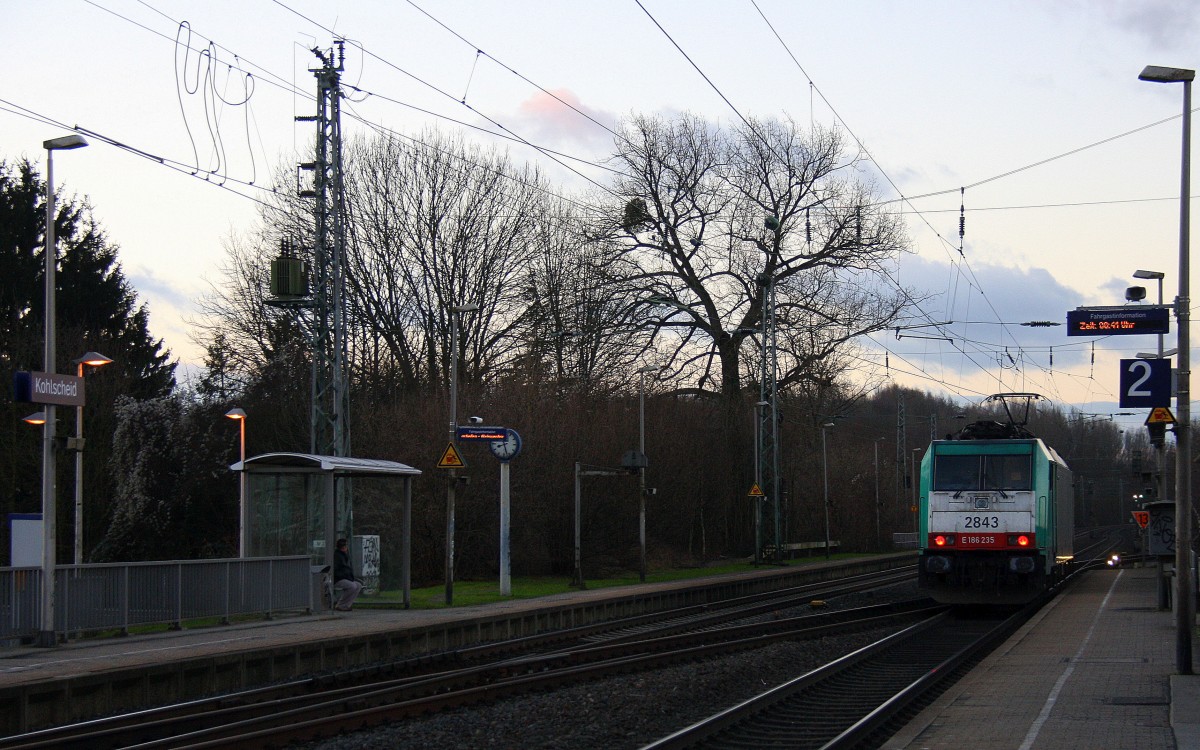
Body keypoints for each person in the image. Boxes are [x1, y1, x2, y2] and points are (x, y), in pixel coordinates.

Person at [333, 538, 363, 612]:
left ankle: (347, 605)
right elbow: (338, 570)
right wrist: (347, 576)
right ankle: (340, 604)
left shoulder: (344, 555)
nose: (346, 548)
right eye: (345, 546)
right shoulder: (337, 556)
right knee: (352, 586)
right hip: (338, 579)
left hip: (345, 578)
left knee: (358, 585)